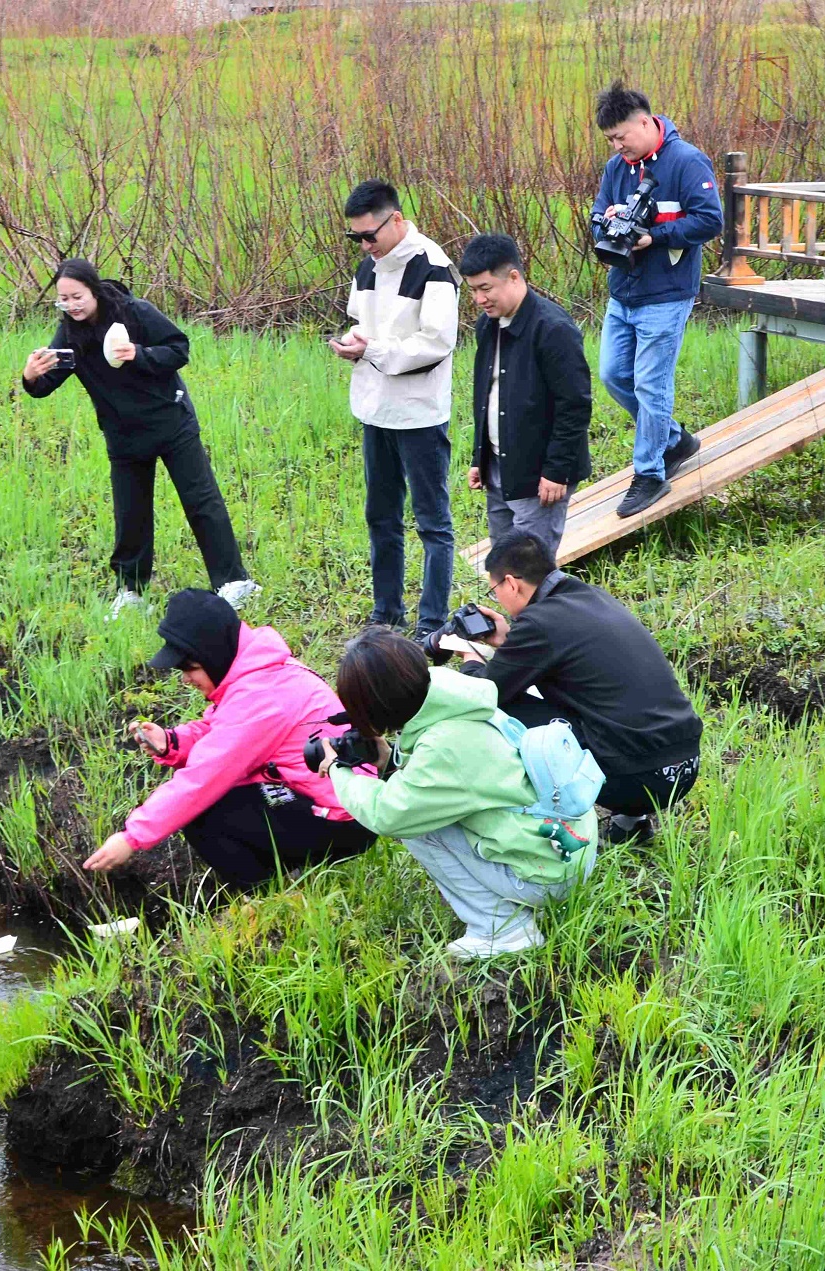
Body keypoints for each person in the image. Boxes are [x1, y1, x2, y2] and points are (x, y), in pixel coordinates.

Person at [316, 628, 597, 959]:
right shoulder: (458, 701)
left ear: (377, 707)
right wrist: (389, 759)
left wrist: (338, 770)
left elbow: (388, 814)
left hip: (550, 875)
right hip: (572, 846)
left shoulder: (443, 747)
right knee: (422, 807)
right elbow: (447, 777)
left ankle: (504, 931)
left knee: (419, 827)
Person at [82, 589, 375, 890]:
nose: (185, 678)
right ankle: (285, 876)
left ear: (213, 656)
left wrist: (131, 838)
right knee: (226, 798)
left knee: (205, 810)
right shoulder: (257, 674)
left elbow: (202, 778)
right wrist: (172, 742)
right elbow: (221, 731)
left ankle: (269, 896)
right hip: (341, 800)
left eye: (190, 668)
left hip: (346, 817)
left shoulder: (260, 696)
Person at [21, 260, 260, 621]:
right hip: (123, 434)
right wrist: (30, 377)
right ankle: (132, 591)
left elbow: (179, 349)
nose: (71, 305)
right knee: (130, 514)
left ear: (94, 290)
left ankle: (234, 582)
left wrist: (139, 354)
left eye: (77, 297)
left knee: (201, 501)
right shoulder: (69, 334)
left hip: (171, 422)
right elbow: (45, 386)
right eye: (63, 299)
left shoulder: (134, 312)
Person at [457, 532, 703, 841]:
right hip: (684, 766)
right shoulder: (592, 596)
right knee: (593, 699)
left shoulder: (539, 623)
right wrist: (510, 639)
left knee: (501, 711)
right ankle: (631, 824)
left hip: (638, 780)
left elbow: (482, 694)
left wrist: (470, 657)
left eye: (495, 592)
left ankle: (543, 827)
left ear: (511, 583)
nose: (499, 600)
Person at [330, 180, 460, 638]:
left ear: (397, 220)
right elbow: (362, 323)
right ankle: (386, 614)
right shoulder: (369, 265)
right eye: (356, 238)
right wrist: (352, 344)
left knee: (432, 522)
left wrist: (371, 350)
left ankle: (432, 624)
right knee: (381, 517)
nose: (364, 246)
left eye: (370, 235)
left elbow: (437, 344)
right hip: (374, 408)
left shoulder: (434, 267)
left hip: (420, 413)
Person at [591, 81, 723, 518]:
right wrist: (607, 224)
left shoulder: (686, 161)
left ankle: (649, 474)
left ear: (646, 123)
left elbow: (710, 220)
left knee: (651, 384)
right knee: (613, 375)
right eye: (610, 140)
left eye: (621, 137)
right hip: (623, 292)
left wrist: (657, 235)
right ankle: (674, 440)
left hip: (666, 293)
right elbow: (596, 215)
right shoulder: (616, 168)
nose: (617, 146)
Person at [458, 233, 593, 557]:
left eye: (485, 288)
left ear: (514, 277)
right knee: (502, 563)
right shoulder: (488, 325)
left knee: (529, 569)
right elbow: (487, 395)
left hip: (539, 473)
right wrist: (480, 458)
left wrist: (556, 471)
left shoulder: (552, 328)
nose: (479, 299)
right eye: (473, 290)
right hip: (499, 465)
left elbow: (575, 405)